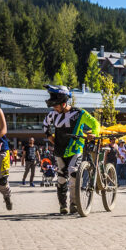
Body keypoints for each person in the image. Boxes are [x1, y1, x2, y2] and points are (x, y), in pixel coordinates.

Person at [42, 85, 100, 215]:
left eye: (56, 105)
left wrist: (94, 133)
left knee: (73, 174)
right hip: (59, 150)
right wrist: (49, 135)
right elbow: (45, 124)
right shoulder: (52, 114)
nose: (54, 108)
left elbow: (95, 123)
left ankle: (74, 203)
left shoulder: (79, 113)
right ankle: (63, 205)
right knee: (62, 178)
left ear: (64, 103)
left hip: (75, 148)